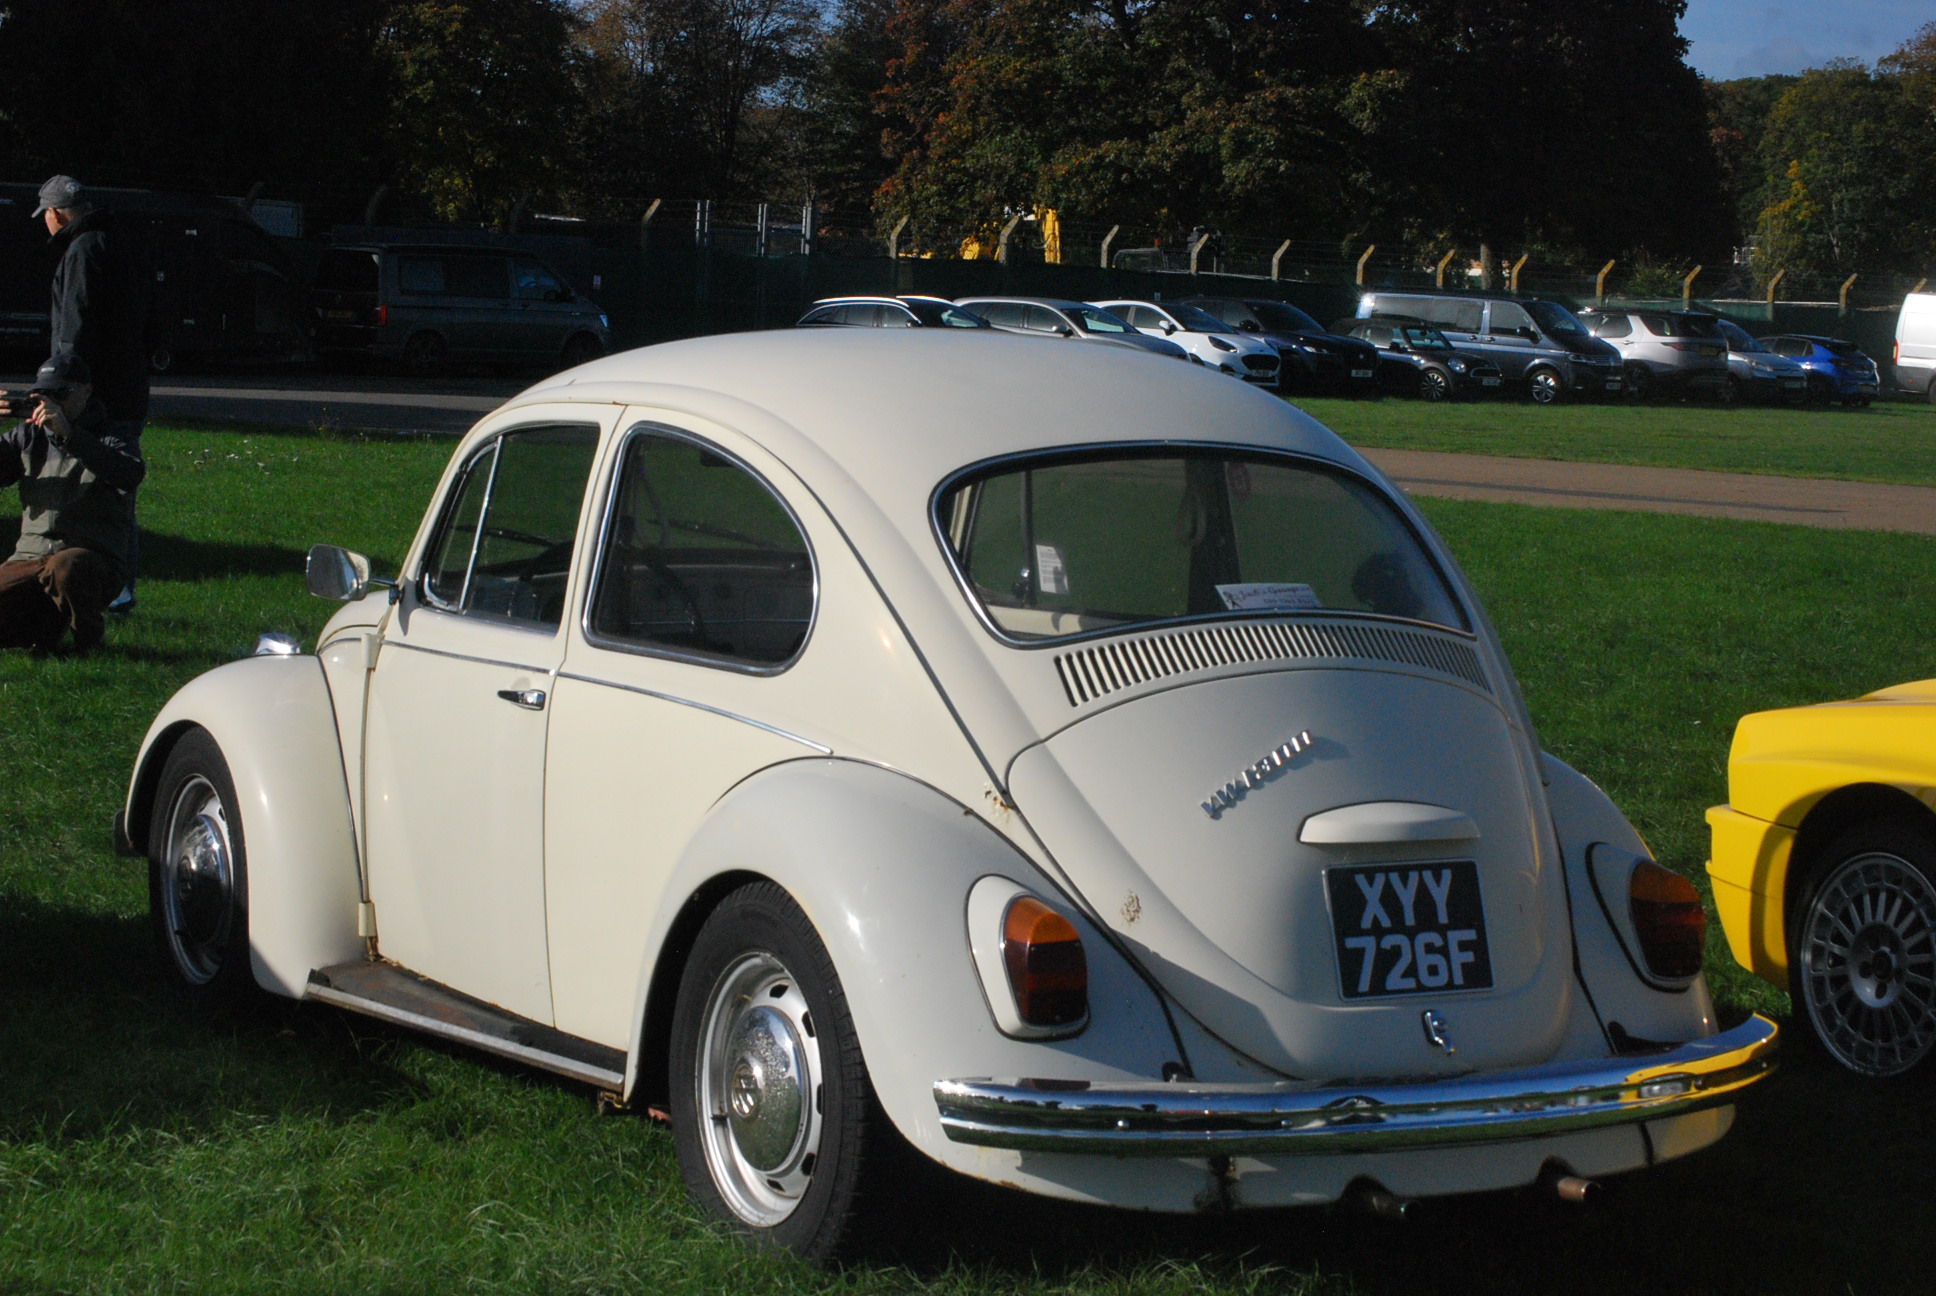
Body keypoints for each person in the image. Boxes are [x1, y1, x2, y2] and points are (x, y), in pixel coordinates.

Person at [36, 174, 150, 613]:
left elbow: (73, 330)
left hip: (94, 394)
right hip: (127, 389)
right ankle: (116, 587)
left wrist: (62, 391)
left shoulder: (82, 251)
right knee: (120, 489)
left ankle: (106, 588)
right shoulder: (120, 241)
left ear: (55, 214)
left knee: (95, 491)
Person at [0, 353, 146, 655]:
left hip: (91, 558)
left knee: (66, 567)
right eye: (43, 395)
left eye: (62, 394)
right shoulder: (26, 435)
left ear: (87, 391)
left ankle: (88, 642)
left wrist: (69, 435)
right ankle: (43, 629)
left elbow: (129, 475)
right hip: (31, 555)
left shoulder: (111, 433)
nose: (51, 403)